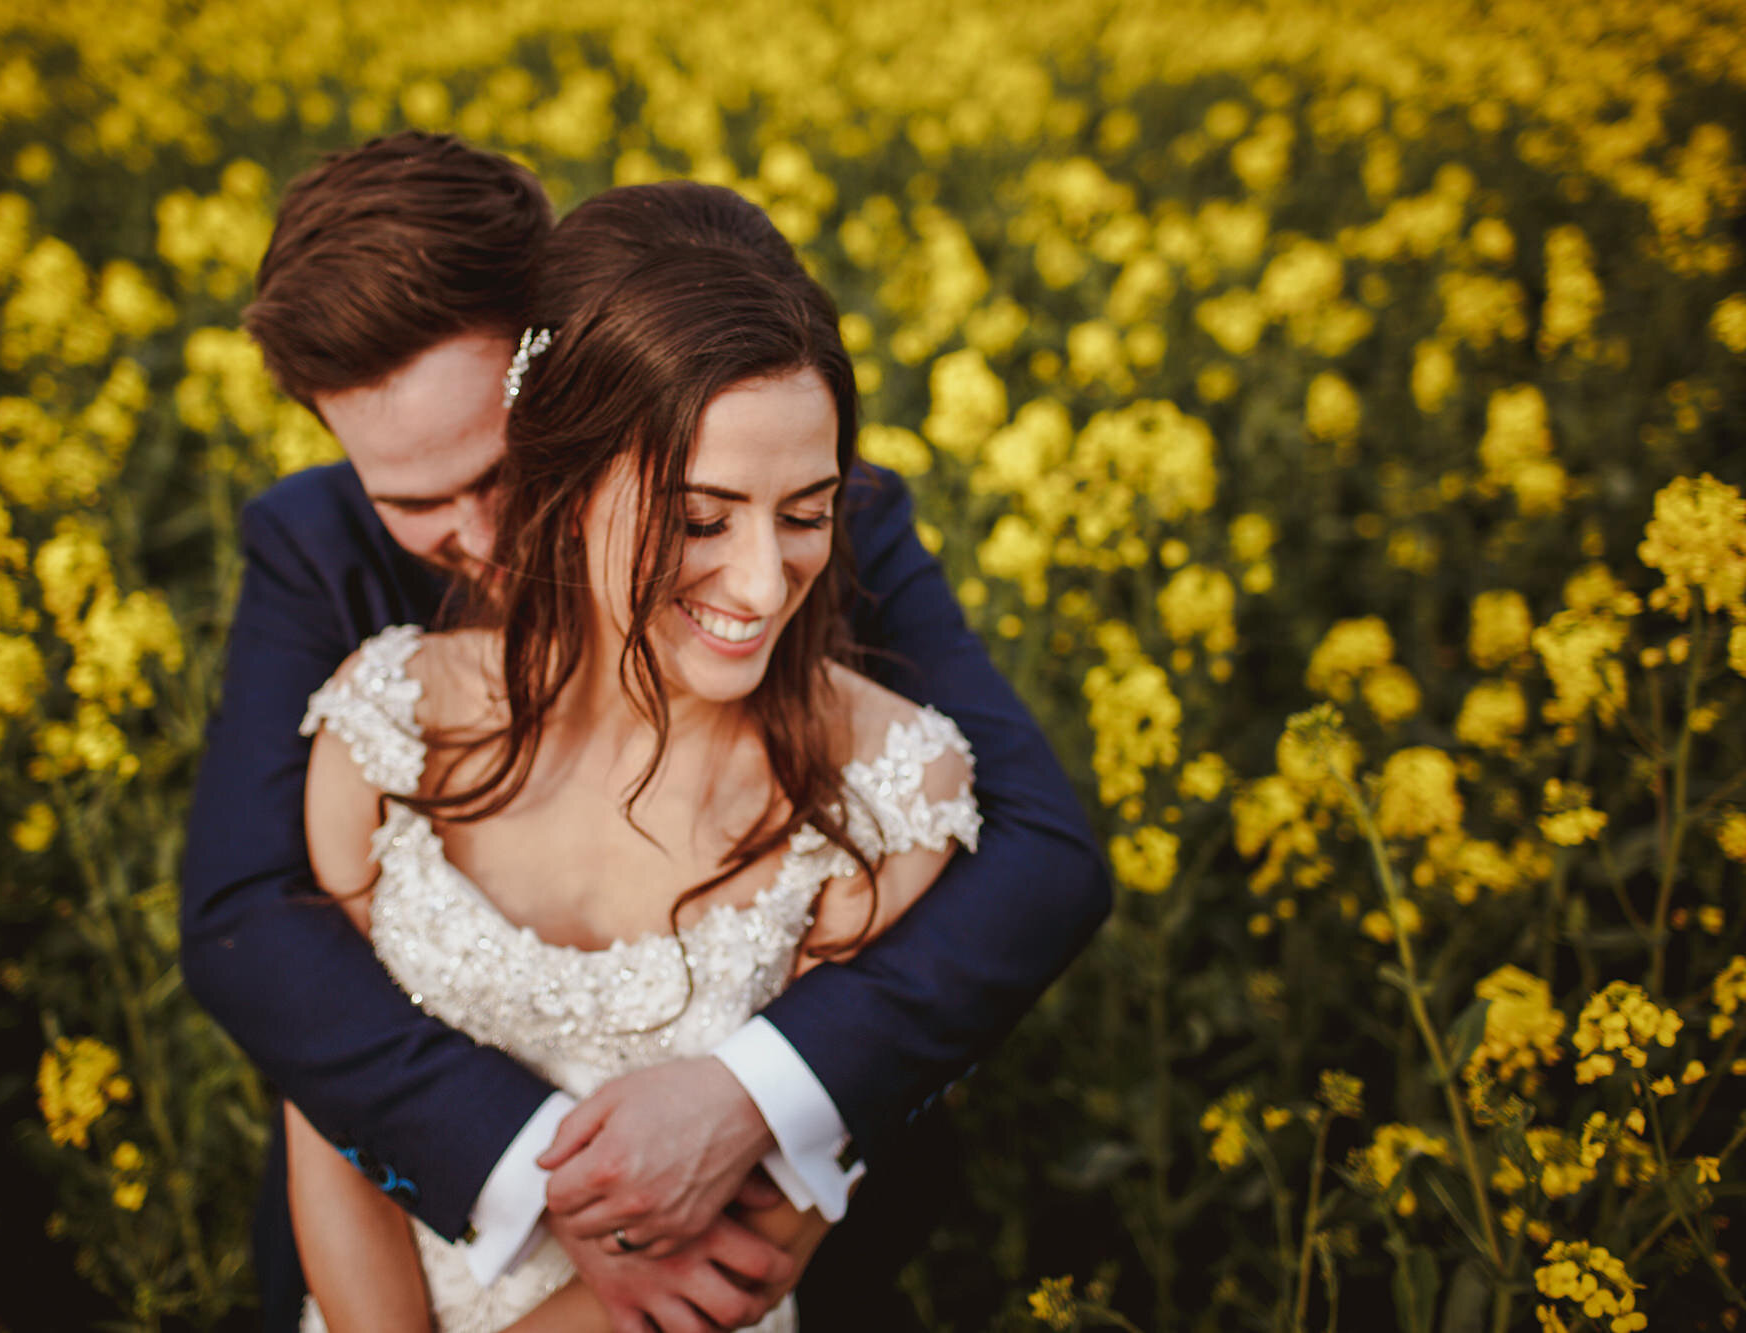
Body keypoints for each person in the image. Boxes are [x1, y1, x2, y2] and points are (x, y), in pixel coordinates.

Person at [179, 131, 1111, 1333]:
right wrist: (543, 1182)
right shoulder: (325, 573)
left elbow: (1037, 855)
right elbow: (252, 922)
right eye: (411, 501)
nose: (487, 538)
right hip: (406, 1220)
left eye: (507, 472)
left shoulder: (799, 517)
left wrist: (752, 1100)